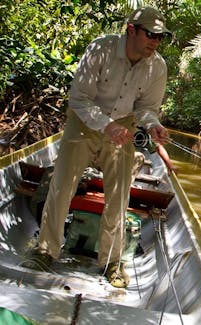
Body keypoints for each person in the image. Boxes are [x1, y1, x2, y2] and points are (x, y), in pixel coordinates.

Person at [23, 7, 172, 289]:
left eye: (160, 37)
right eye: (150, 34)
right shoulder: (100, 49)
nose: (155, 41)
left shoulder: (158, 66)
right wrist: (106, 125)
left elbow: (146, 109)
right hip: (83, 123)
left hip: (124, 126)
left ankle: (112, 262)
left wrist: (152, 126)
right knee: (62, 185)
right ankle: (45, 251)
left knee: (118, 196)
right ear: (131, 30)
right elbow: (79, 99)